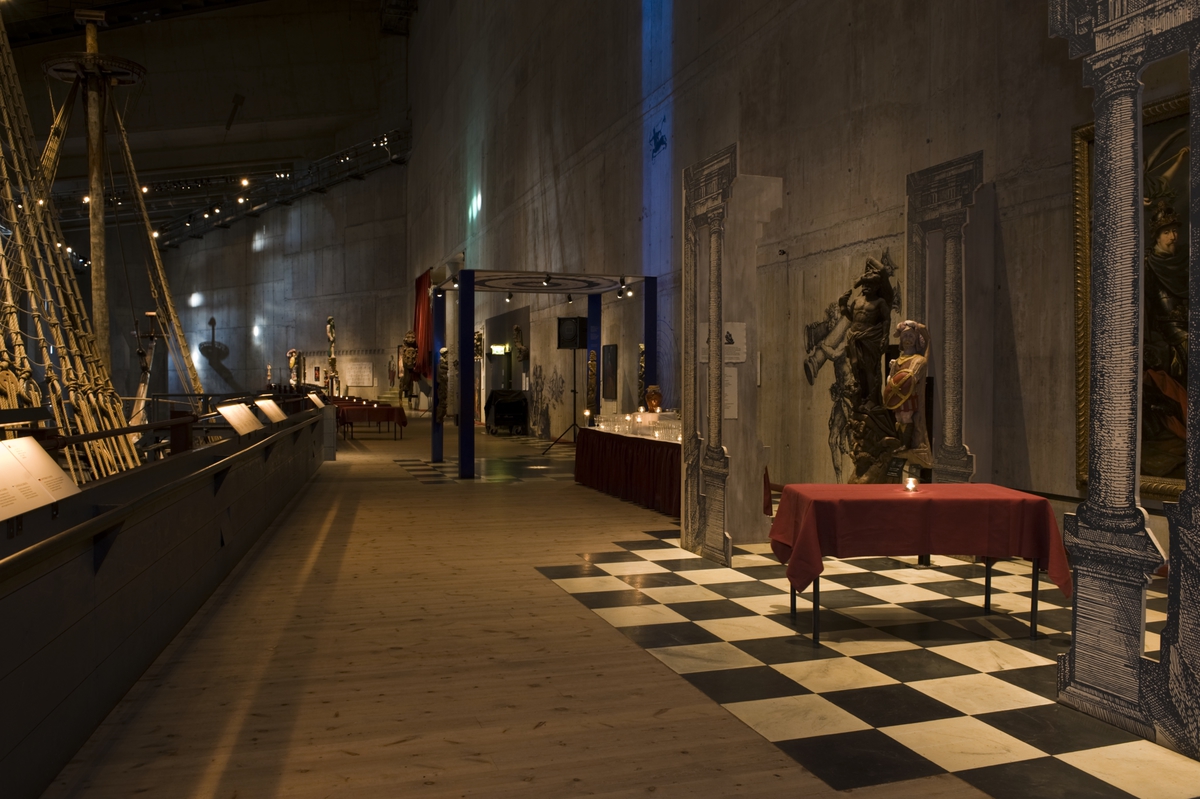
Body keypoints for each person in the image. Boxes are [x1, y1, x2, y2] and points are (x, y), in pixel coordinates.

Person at [840, 257, 894, 412]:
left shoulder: (880, 302)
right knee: (857, 368)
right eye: (865, 284)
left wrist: (885, 337)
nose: (867, 287)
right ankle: (862, 397)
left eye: (870, 284)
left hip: (869, 339)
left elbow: (886, 320)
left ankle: (873, 399)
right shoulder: (857, 301)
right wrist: (843, 305)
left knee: (870, 369)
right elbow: (852, 318)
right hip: (854, 339)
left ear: (877, 286)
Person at [883, 320, 932, 468]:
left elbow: (911, 379)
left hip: (909, 397)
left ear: (916, 339)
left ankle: (906, 445)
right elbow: (891, 380)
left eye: (911, 336)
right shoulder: (898, 361)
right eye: (905, 336)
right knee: (899, 418)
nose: (908, 339)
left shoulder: (918, 360)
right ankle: (901, 443)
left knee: (906, 417)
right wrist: (892, 378)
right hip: (898, 397)